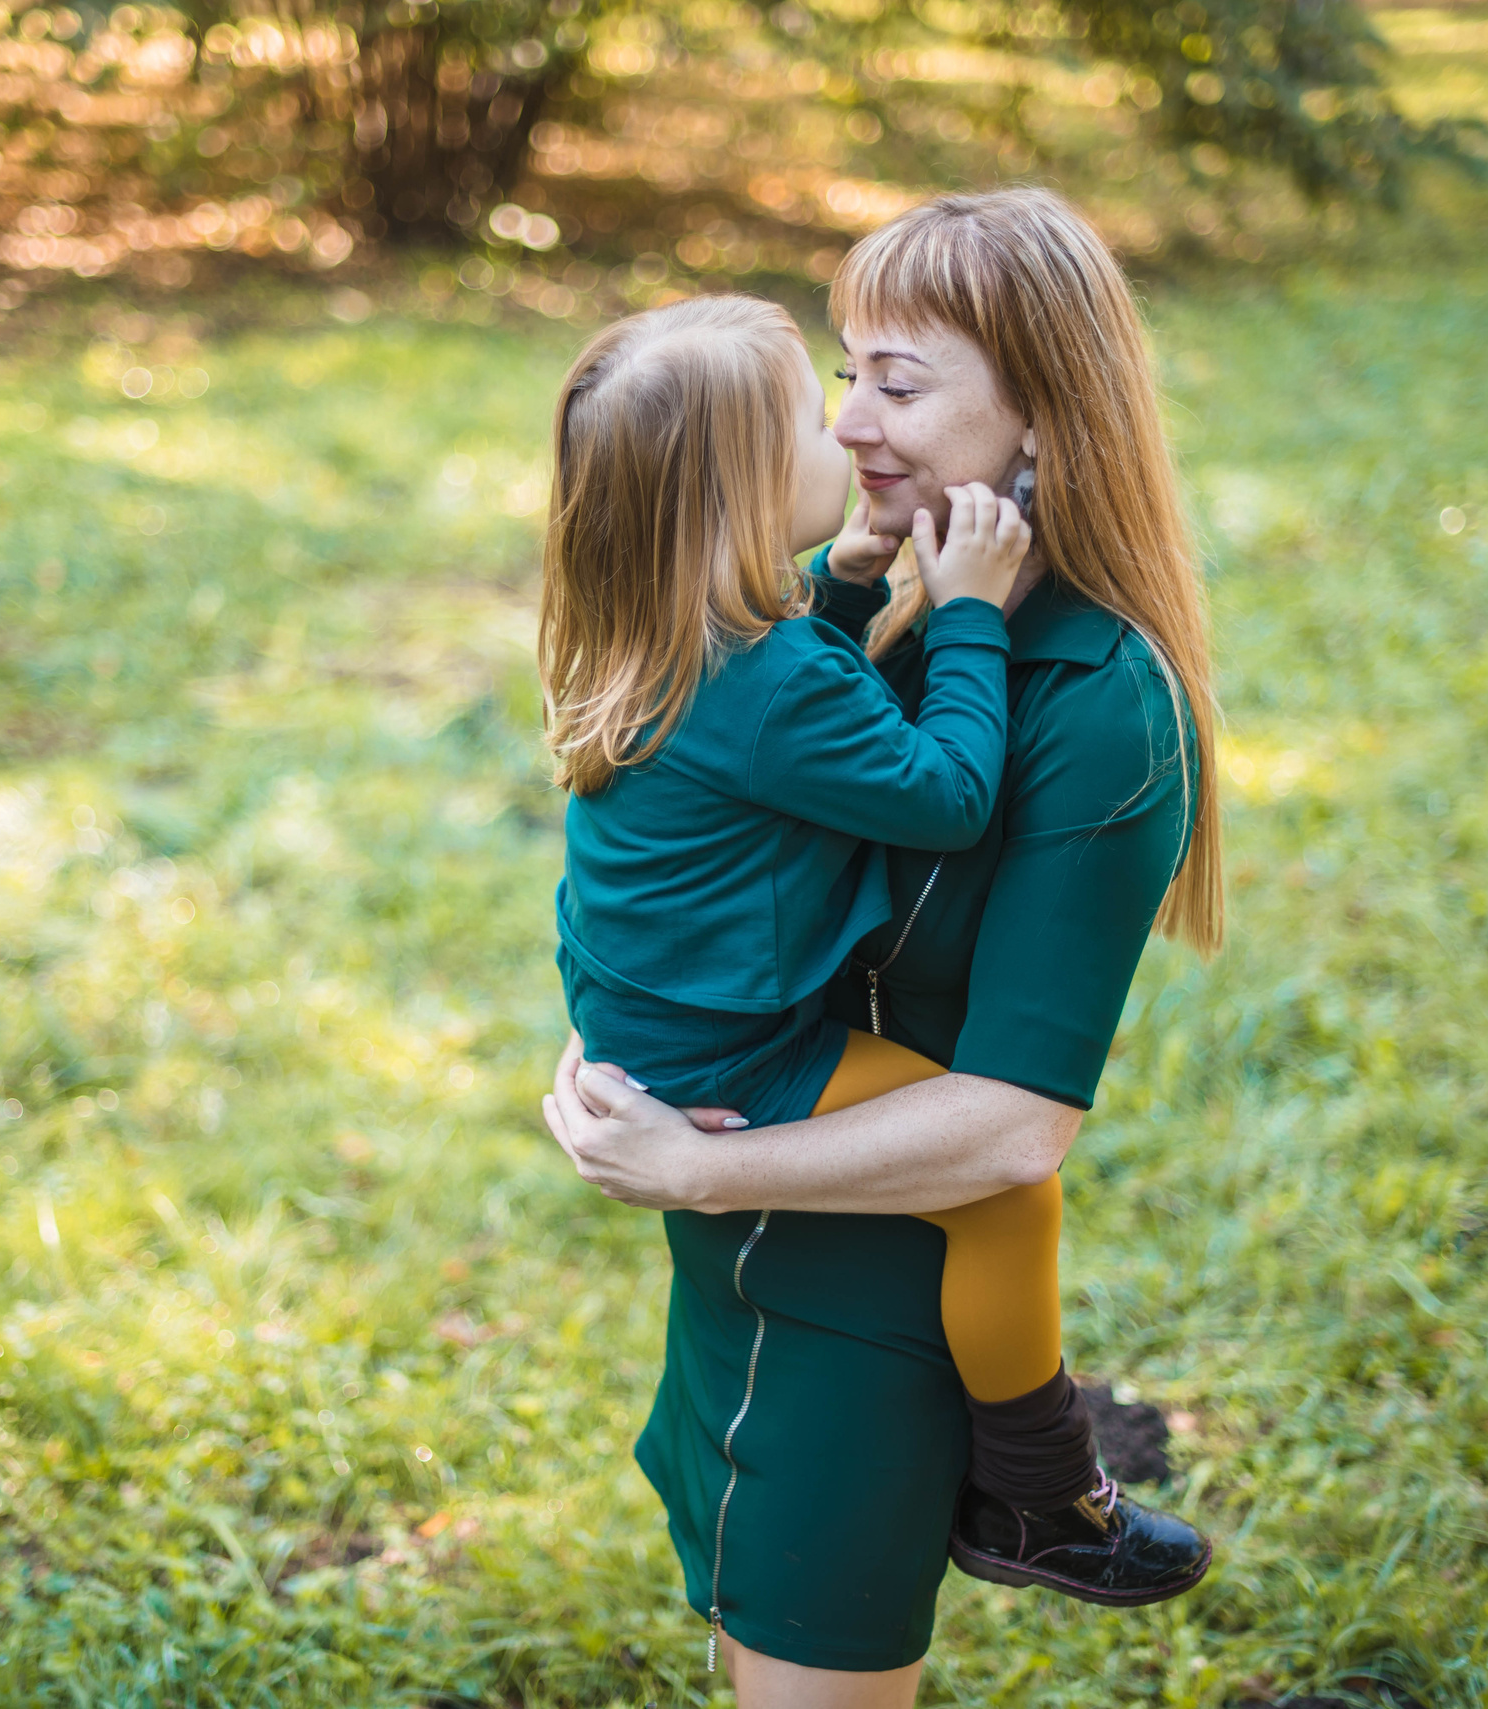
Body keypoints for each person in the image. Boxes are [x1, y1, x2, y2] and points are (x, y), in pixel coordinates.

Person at [541, 187, 1223, 1709]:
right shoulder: (892, 613)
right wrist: (619, 1049)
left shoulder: (1095, 699)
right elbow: (715, 851)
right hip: (742, 1245)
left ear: (1045, 412)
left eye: (896, 383)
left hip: (853, 1294)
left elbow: (1016, 1126)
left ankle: (1040, 1484)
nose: (850, 425)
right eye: (843, 376)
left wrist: (698, 1155)